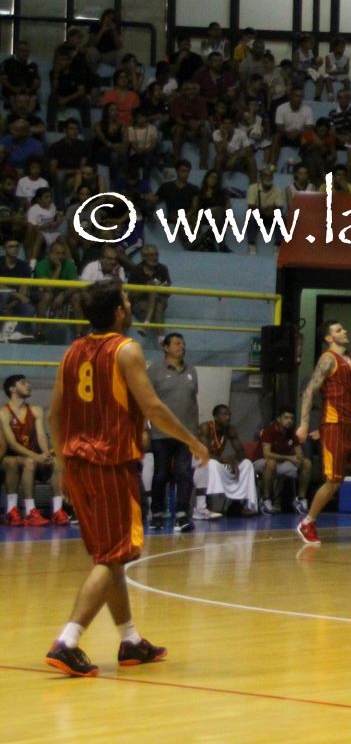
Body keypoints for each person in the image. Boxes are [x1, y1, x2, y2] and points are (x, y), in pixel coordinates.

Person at [44, 281, 209, 676]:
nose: (130, 305)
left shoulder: (71, 351)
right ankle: (67, 641)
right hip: (110, 463)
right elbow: (153, 407)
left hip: (78, 463)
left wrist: (62, 467)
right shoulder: (126, 349)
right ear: (119, 312)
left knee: (111, 557)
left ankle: (130, 641)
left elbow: (53, 415)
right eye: (127, 300)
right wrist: (192, 441)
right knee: (115, 554)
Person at [294, 321, 351, 545]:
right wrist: (304, 425)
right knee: (334, 481)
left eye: (343, 328)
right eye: (338, 330)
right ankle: (308, 522)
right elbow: (309, 392)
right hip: (334, 424)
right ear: (329, 338)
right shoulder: (328, 359)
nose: (344, 331)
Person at [144, 333, 204, 531]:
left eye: (183, 343)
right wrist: (144, 427)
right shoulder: (155, 371)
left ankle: (182, 514)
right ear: (166, 347)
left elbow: (194, 402)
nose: (182, 347)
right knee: (160, 473)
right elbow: (145, 400)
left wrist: (195, 431)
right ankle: (157, 513)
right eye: (177, 343)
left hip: (185, 434)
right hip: (161, 433)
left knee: (184, 473)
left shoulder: (191, 371)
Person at [2, 374, 67, 525]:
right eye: (23, 383)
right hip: (14, 458)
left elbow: (41, 436)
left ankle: (58, 511)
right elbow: (11, 443)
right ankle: (28, 511)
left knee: (56, 462)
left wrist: (45, 453)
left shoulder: (36, 410)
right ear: (12, 389)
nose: (28, 385)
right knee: (29, 462)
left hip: (32, 457)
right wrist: (35, 456)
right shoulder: (4, 412)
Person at [198, 404, 257, 516]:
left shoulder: (230, 430)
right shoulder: (206, 427)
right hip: (202, 464)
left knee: (247, 464)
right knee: (212, 463)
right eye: (224, 414)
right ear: (215, 417)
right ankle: (207, 504)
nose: (228, 417)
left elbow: (241, 453)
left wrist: (233, 459)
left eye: (229, 415)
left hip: (218, 462)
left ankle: (238, 504)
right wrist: (224, 459)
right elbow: (204, 453)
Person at [255, 410, 309, 514]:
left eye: (291, 418)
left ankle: (300, 500)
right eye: (286, 418)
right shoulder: (269, 429)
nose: (289, 421)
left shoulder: (292, 432)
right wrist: (290, 458)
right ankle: (265, 500)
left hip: (281, 463)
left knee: (307, 463)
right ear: (279, 419)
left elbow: (299, 453)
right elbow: (267, 454)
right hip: (261, 462)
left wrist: (299, 458)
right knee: (271, 463)